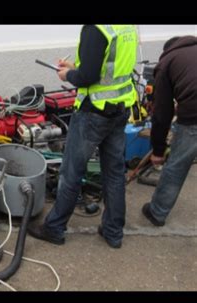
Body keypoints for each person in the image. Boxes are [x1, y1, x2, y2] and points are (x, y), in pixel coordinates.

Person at [28, 25, 138, 249]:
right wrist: (76, 66)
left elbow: (87, 77)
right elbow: (109, 66)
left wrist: (68, 74)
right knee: (115, 172)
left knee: (71, 172)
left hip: (93, 113)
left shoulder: (95, 28)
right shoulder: (126, 26)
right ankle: (113, 232)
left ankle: (54, 228)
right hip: (120, 108)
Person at [141, 35, 197, 226]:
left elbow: (161, 114)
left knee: (176, 166)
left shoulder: (166, 62)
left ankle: (157, 212)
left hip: (193, 118)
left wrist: (158, 151)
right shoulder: (190, 53)